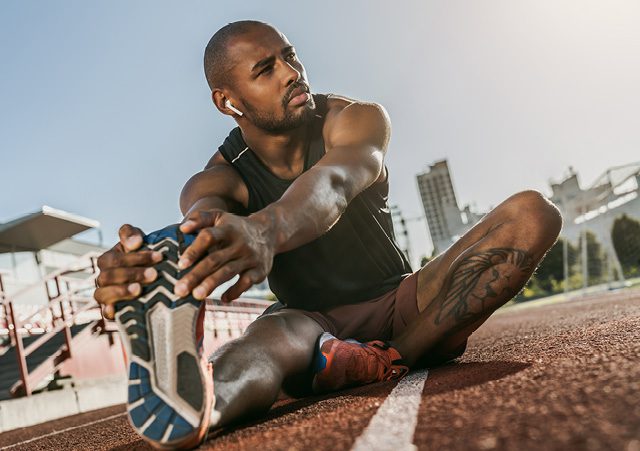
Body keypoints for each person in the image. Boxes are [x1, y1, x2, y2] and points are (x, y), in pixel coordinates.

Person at [94, 20, 562, 449]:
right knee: (261, 347)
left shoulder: (355, 119)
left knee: (533, 213)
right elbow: (202, 222)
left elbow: (333, 185)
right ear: (228, 101)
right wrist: (149, 262)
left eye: (290, 56)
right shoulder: (217, 179)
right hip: (306, 324)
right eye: (266, 69)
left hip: (404, 301)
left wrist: (265, 229)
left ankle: (390, 357)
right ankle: (199, 407)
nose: (291, 72)